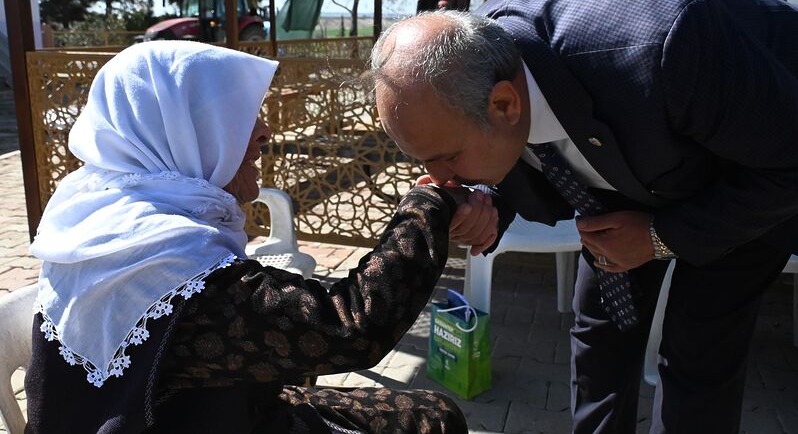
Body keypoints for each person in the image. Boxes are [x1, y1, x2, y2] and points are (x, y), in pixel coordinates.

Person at [369, 0, 798, 433]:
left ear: (505, 104)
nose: (440, 177)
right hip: (638, 149)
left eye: (446, 156)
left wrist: (661, 237)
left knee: (697, 344)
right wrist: (488, 204)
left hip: (750, 168)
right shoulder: (481, 59)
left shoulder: (665, 43)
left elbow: (791, 161)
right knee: (602, 328)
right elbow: (514, 144)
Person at [25, 41, 468, 434]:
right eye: (235, 117)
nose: (264, 130)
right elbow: (352, 326)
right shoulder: (170, 265)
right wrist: (429, 201)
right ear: (181, 134)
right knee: (434, 419)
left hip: (210, 410)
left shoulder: (100, 215)